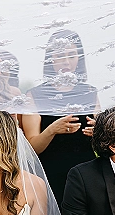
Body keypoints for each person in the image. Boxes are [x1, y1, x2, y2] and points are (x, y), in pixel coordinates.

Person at [22, 29, 99, 205]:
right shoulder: (34, 95)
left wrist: (99, 132)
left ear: (79, 58)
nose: (66, 62)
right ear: (50, 58)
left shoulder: (90, 92)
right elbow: (31, 148)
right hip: (49, 175)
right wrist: (52, 130)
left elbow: (102, 144)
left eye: (72, 55)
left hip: (86, 174)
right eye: (60, 56)